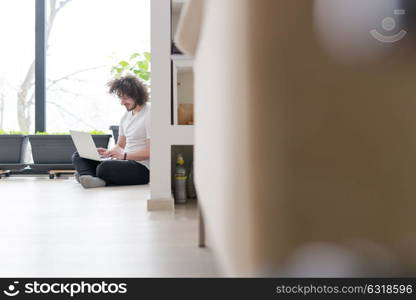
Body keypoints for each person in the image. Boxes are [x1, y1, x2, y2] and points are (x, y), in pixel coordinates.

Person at [72, 75, 150, 189]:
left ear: (137, 95)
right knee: (79, 155)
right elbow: (120, 145)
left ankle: (88, 174)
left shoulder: (150, 113)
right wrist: (108, 152)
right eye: (120, 98)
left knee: (105, 168)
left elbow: (150, 151)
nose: (122, 103)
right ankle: (90, 177)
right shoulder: (126, 116)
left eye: (125, 98)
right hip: (125, 161)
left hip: (143, 168)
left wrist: (124, 156)